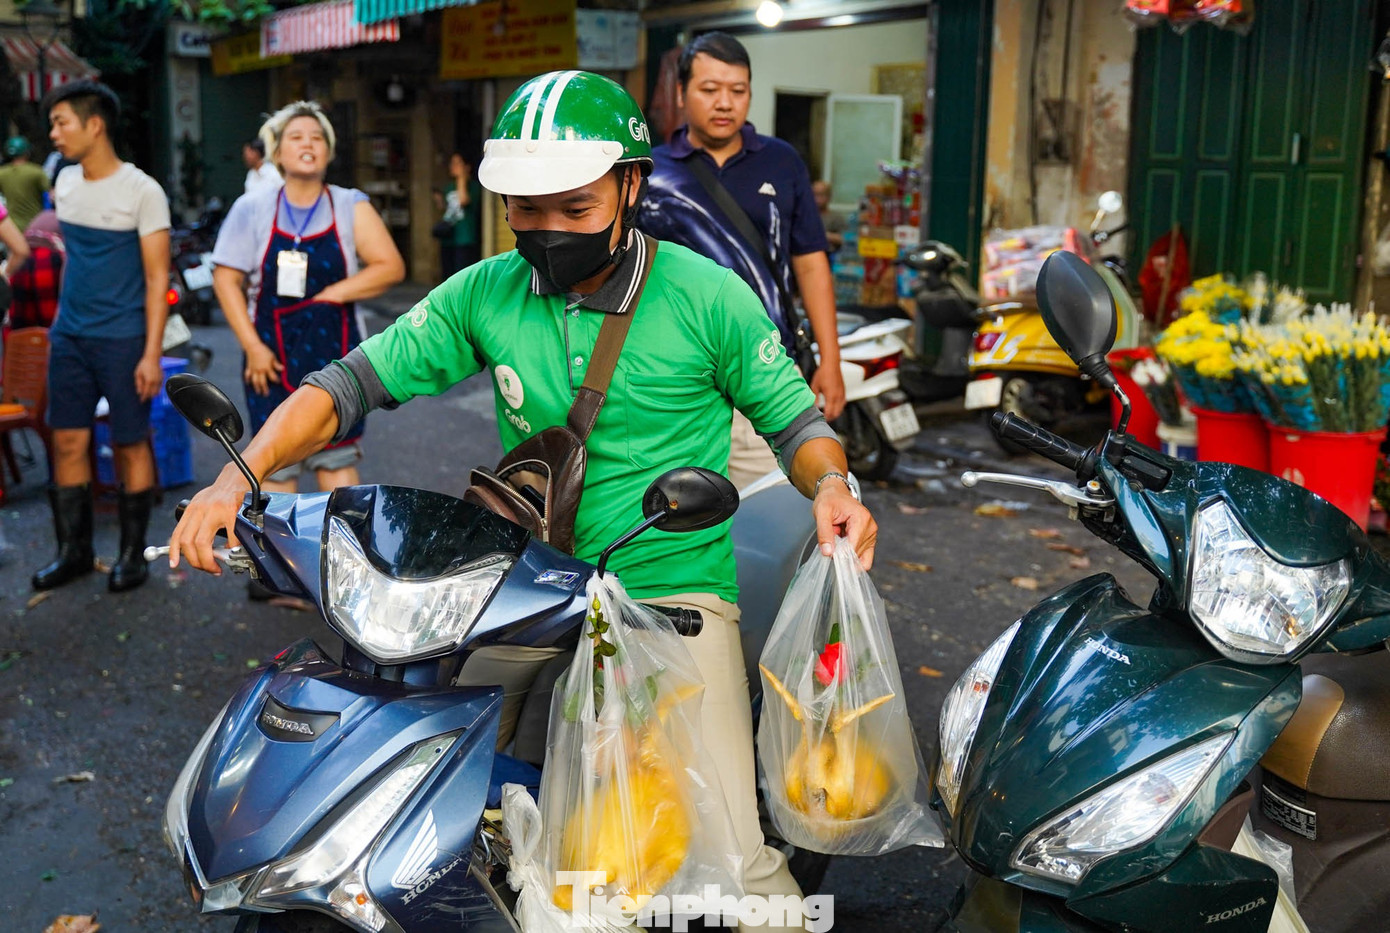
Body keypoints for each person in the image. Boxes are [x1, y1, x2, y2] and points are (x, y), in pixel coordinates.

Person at [168, 71, 877, 933]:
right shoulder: (487, 290)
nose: (544, 232)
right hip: (527, 583)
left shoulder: (706, 296)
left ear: (631, 185)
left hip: (668, 585)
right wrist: (237, 477)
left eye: (572, 209)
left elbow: (797, 420)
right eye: (523, 209)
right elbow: (350, 384)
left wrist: (833, 486)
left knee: (725, 860)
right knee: (441, 802)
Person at [637, 31, 846, 491]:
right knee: (682, 511)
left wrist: (830, 360)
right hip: (677, 379)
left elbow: (810, 261)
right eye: (710, 90)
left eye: (738, 90)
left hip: (766, 365)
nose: (725, 103)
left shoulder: (782, 161)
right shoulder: (651, 172)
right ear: (681, 93)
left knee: (774, 511)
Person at [210, 102, 403, 508]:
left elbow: (389, 267)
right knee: (276, 465)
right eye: (296, 137)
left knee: (337, 460)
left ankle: (342, 559)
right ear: (277, 153)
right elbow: (226, 279)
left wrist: (337, 292)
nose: (308, 144)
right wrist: (252, 348)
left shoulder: (351, 205)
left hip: (337, 356)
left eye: (318, 138)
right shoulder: (254, 207)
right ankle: (277, 566)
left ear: (329, 153)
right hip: (271, 356)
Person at [32, 80, 170, 593]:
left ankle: (133, 556)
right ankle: (74, 552)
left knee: (131, 441)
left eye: (61, 122)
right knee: (67, 438)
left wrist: (151, 353)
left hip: (124, 337)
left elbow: (158, 278)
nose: (54, 133)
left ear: (95, 124)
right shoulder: (64, 182)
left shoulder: (142, 190)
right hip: (69, 335)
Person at [438, 151, 481, 278]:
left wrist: (462, 178)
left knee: (461, 275)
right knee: (447, 274)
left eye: (457, 163)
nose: (453, 166)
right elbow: (447, 209)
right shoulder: (449, 187)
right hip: (449, 236)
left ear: (467, 167)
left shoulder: (472, 187)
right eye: (452, 163)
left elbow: (463, 200)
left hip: (464, 237)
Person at [0, 136, 51, 233]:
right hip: (35, 225)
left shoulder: (2, 173)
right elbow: (50, 195)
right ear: (27, 152)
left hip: (12, 227)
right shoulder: (37, 172)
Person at [812, 179, 846, 257]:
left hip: (829, 256)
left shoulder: (836, 217)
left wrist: (825, 235)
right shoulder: (804, 216)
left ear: (829, 197)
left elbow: (844, 239)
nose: (818, 199)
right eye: (815, 195)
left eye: (821, 195)